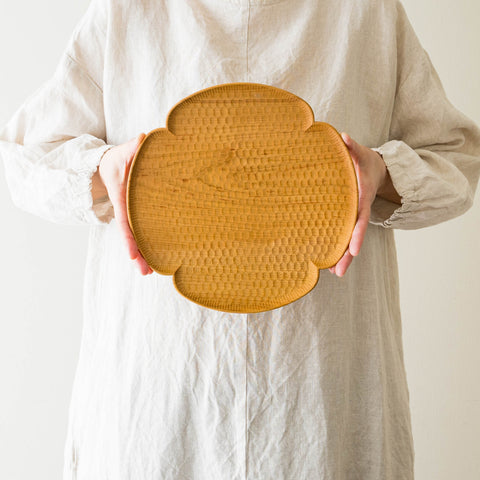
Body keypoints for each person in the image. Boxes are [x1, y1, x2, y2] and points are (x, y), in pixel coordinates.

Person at [1, 0, 479, 478]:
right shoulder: (127, 11)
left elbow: (457, 158)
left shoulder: (367, 13)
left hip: (321, 401)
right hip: (158, 401)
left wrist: (382, 171)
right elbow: (24, 156)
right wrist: (104, 168)